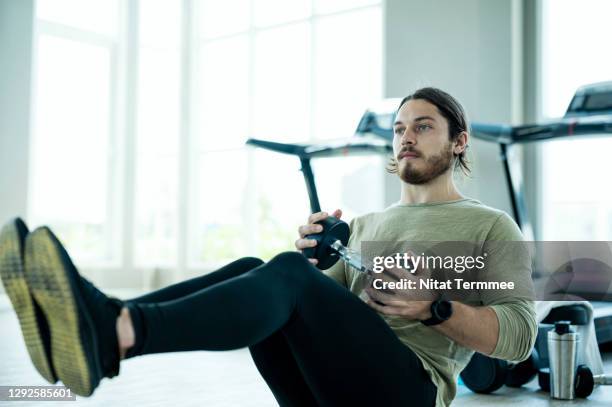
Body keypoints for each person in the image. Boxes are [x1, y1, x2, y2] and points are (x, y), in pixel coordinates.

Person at [0, 87, 537, 407]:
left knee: (282, 272)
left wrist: (434, 307)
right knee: (255, 265)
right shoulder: (369, 223)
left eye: (423, 126)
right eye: (399, 129)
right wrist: (313, 262)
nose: (406, 138)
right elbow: (309, 311)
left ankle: (114, 331)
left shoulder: (490, 227)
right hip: (332, 388)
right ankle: (113, 321)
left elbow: (516, 337)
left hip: (409, 392)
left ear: (459, 141)